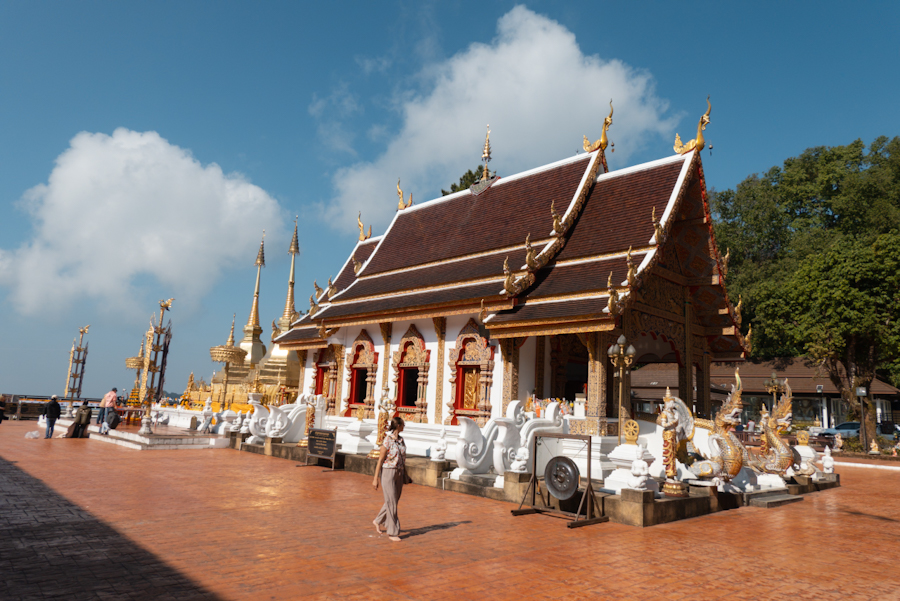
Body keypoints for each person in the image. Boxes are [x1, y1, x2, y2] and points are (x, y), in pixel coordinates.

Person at [372, 416, 407, 542]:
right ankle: (393, 531)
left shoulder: (401, 440)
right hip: (388, 472)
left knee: (393, 500)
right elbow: (380, 460)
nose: (404, 426)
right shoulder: (387, 440)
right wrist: (375, 478)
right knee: (391, 502)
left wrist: (406, 474)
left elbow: (403, 458)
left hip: (399, 472)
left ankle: (378, 520)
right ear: (398, 426)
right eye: (403, 424)